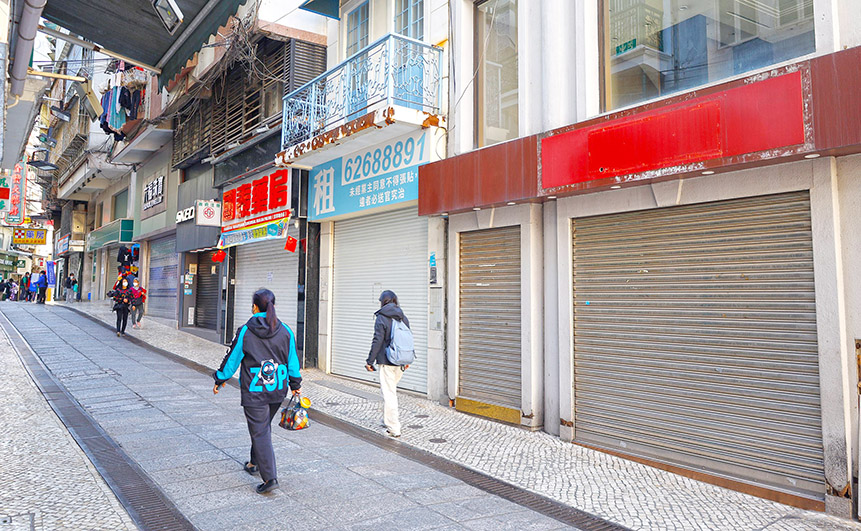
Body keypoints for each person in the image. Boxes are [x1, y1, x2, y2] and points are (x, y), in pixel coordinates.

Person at [212, 288, 302, 494]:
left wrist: (220, 378)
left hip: (254, 390)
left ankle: (270, 478)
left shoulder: (246, 330)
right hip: (278, 389)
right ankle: (254, 463)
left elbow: (233, 358)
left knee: (260, 429)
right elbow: (293, 362)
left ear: (254, 307)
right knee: (262, 427)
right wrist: (295, 385)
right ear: (273, 306)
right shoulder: (286, 331)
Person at [365, 290, 411, 438]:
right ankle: (387, 419)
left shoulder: (381, 318)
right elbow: (408, 338)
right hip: (401, 361)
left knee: (389, 394)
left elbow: (377, 340)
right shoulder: (403, 317)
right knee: (390, 391)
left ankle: (393, 428)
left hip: (387, 361)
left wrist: (370, 361)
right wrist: (406, 360)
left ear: (382, 302)